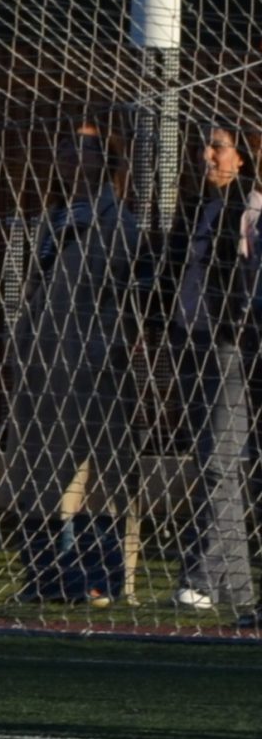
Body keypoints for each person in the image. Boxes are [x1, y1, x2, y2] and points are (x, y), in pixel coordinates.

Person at [3, 120, 141, 607]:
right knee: (39, 471)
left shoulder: (117, 220)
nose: (67, 154)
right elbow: (37, 288)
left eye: (81, 148)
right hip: (42, 361)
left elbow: (121, 293)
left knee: (100, 470)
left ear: (106, 160)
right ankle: (46, 576)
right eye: (64, 145)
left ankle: (103, 579)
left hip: (92, 361)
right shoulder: (53, 217)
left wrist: (104, 346)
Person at [158, 124, 260, 624]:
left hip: (230, 348)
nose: (206, 156)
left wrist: (237, 326)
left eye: (218, 148)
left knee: (221, 461)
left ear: (242, 158)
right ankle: (232, 588)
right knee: (214, 464)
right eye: (204, 147)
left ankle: (200, 579)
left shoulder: (250, 210)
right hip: (191, 342)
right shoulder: (201, 209)